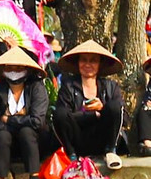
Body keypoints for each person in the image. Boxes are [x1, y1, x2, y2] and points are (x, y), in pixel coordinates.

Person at [0, 48, 50, 179]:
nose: (14, 71)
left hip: (35, 142)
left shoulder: (37, 88)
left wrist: (9, 119)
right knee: (1, 134)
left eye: (18, 67)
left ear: (26, 69)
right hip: (8, 144)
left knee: (26, 131)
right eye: (9, 68)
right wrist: (19, 120)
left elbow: (37, 121)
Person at [53, 41, 125, 170]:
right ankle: (71, 155)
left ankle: (111, 151)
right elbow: (63, 117)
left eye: (93, 61)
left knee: (113, 106)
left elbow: (121, 117)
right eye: (84, 60)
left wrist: (102, 109)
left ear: (100, 64)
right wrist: (92, 115)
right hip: (78, 139)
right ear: (78, 63)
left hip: (102, 138)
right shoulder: (68, 87)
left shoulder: (111, 86)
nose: (87, 64)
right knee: (60, 113)